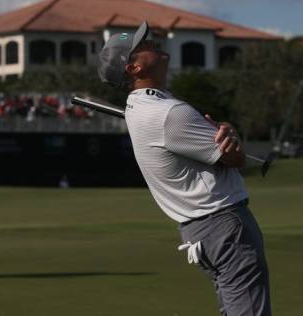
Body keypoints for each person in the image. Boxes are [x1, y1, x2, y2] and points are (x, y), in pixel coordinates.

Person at [98, 22, 271, 315]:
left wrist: (217, 132)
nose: (152, 44)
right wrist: (230, 136)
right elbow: (235, 159)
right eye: (142, 47)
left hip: (199, 229)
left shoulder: (142, 107)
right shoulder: (169, 114)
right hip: (224, 223)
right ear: (133, 69)